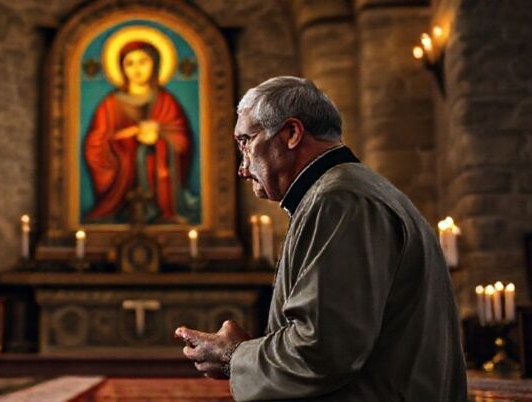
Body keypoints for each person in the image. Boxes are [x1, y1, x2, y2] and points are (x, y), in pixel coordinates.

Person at [175, 76, 467, 401]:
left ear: (291, 134)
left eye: (246, 141)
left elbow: (325, 351)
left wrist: (235, 355)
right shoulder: (347, 191)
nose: (242, 168)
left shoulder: (340, 201)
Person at [83, 41, 193, 223]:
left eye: (143, 61)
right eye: (130, 63)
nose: (137, 69)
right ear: (121, 68)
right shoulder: (110, 105)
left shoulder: (166, 101)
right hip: (121, 182)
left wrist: (160, 138)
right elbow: (95, 145)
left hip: (157, 180)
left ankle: (163, 212)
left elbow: (182, 140)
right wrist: (128, 138)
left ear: (155, 64)